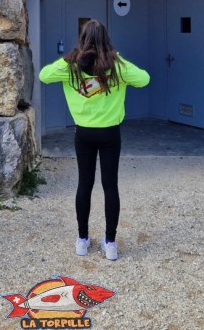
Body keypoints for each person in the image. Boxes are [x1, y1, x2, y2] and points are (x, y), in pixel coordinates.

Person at [39, 20, 150, 261]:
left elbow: (44, 76)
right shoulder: (116, 66)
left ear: (82, 39)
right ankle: (110, 243)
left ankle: (82, 239)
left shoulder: (71, 66)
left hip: (84, 133)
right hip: (110, 132)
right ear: (106, 39)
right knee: (110, 186)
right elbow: (144, 79)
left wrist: (69, 58)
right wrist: (117, 59)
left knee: (84, 185)